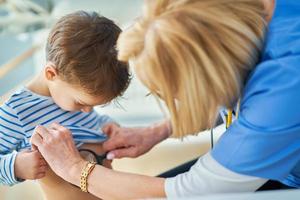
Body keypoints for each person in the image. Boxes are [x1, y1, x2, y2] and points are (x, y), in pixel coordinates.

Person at [31, 0, 300, 199]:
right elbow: (234, 94)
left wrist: (75, 169)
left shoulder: (284, 86)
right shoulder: (236, 19)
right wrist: (156, 131)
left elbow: (190, 189)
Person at [0, 11, 129, 199]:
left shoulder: (71, 97)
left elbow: (93, 122)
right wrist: (16, 166)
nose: (88, 110)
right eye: (82, 103)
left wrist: (110, 127)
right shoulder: (16, 111)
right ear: (51, 74)